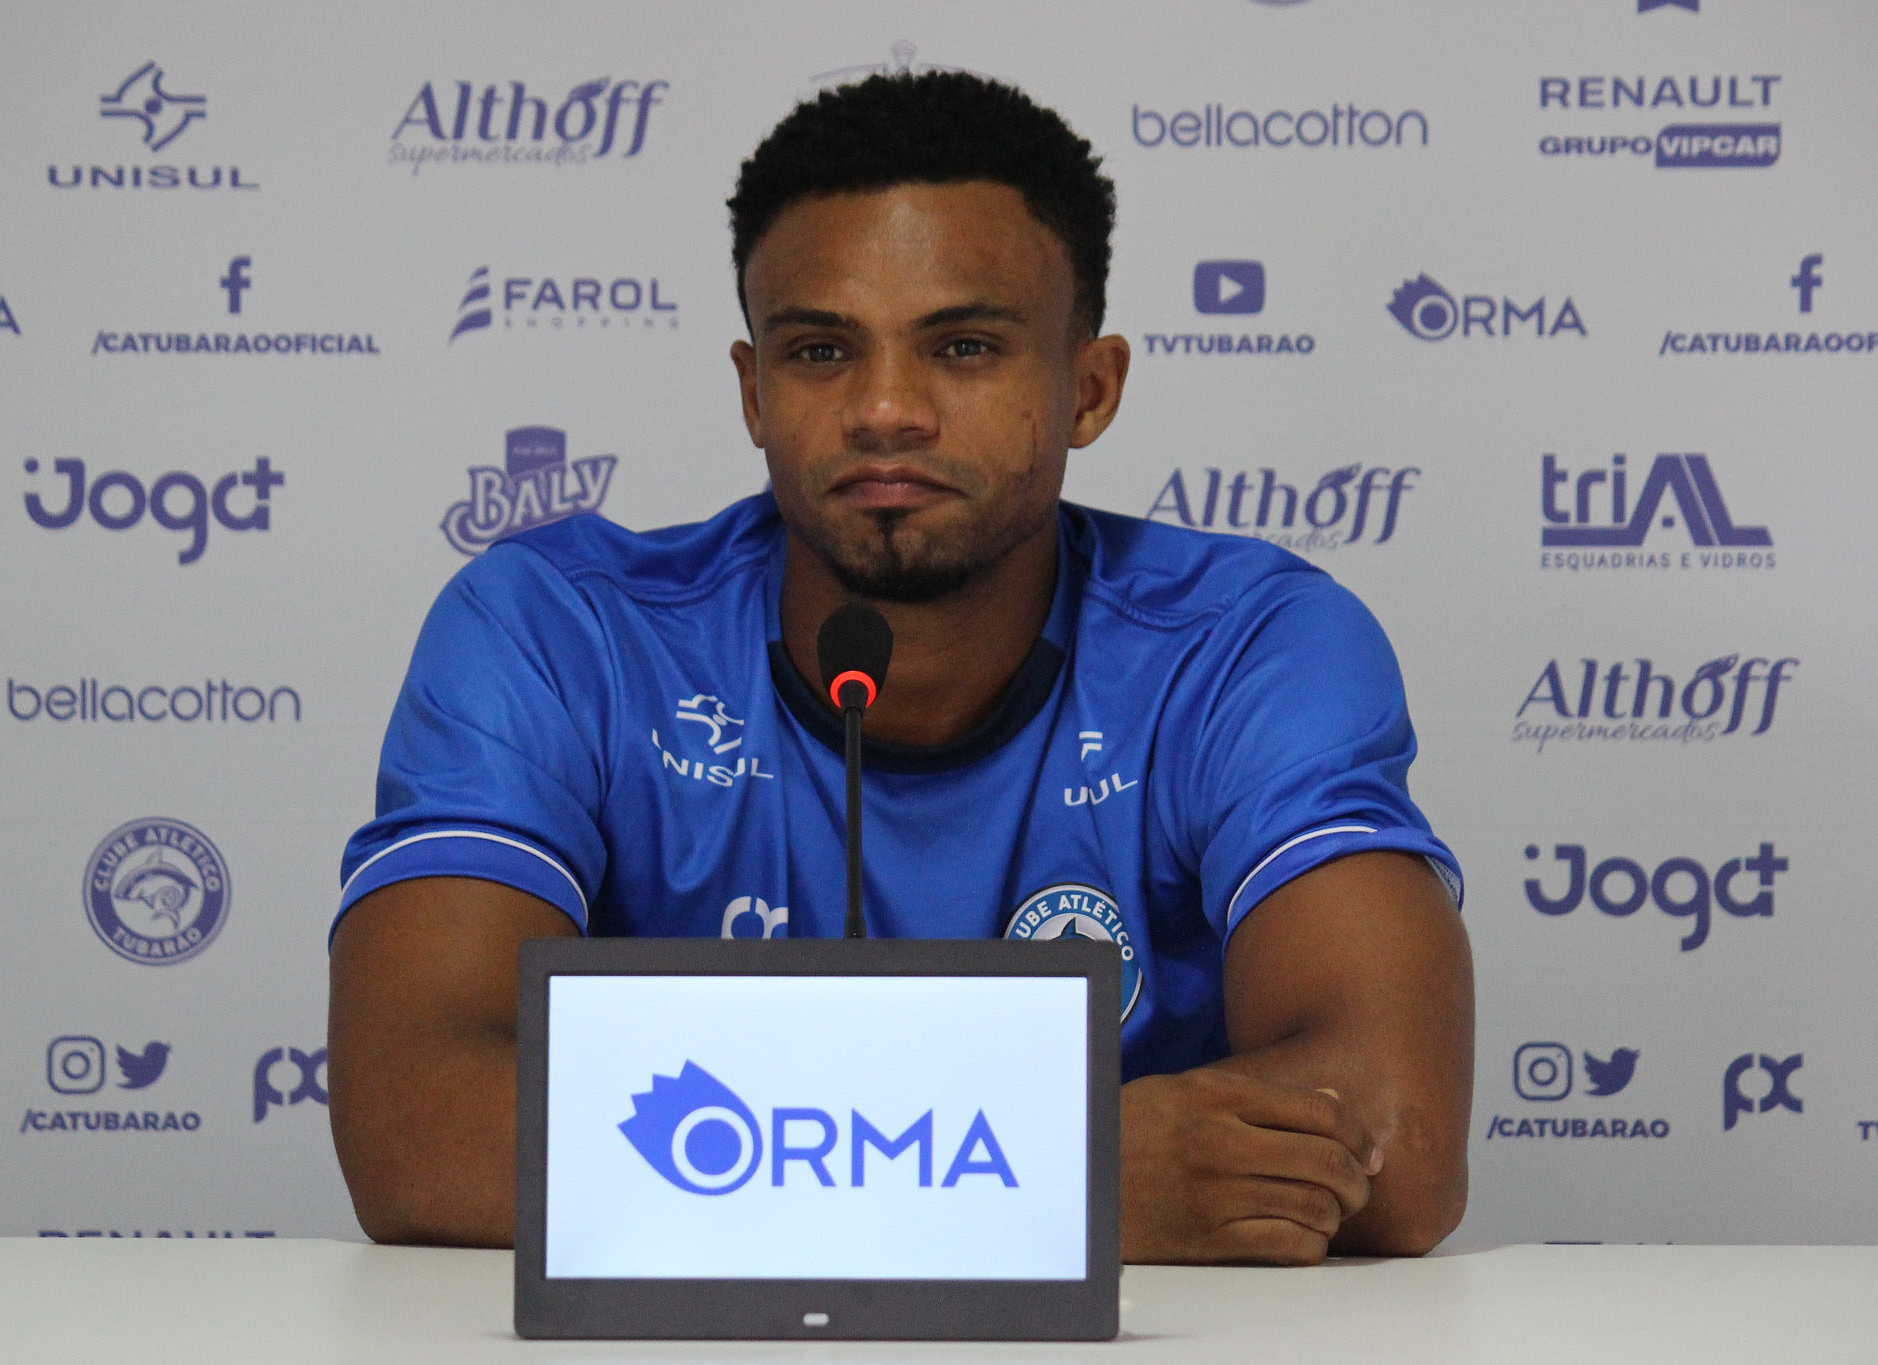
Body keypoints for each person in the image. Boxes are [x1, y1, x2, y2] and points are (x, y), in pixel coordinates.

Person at [328, 71, 1473, 1265]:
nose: (884, 411)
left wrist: (751, 1171)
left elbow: (1398, 1142)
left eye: (963, 347)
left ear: (1088, 389)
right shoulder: (556, 632)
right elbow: (416, 1127)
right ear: (752, 392)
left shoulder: (1248, 646)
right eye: (821, 350)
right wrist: (1064, 1177)